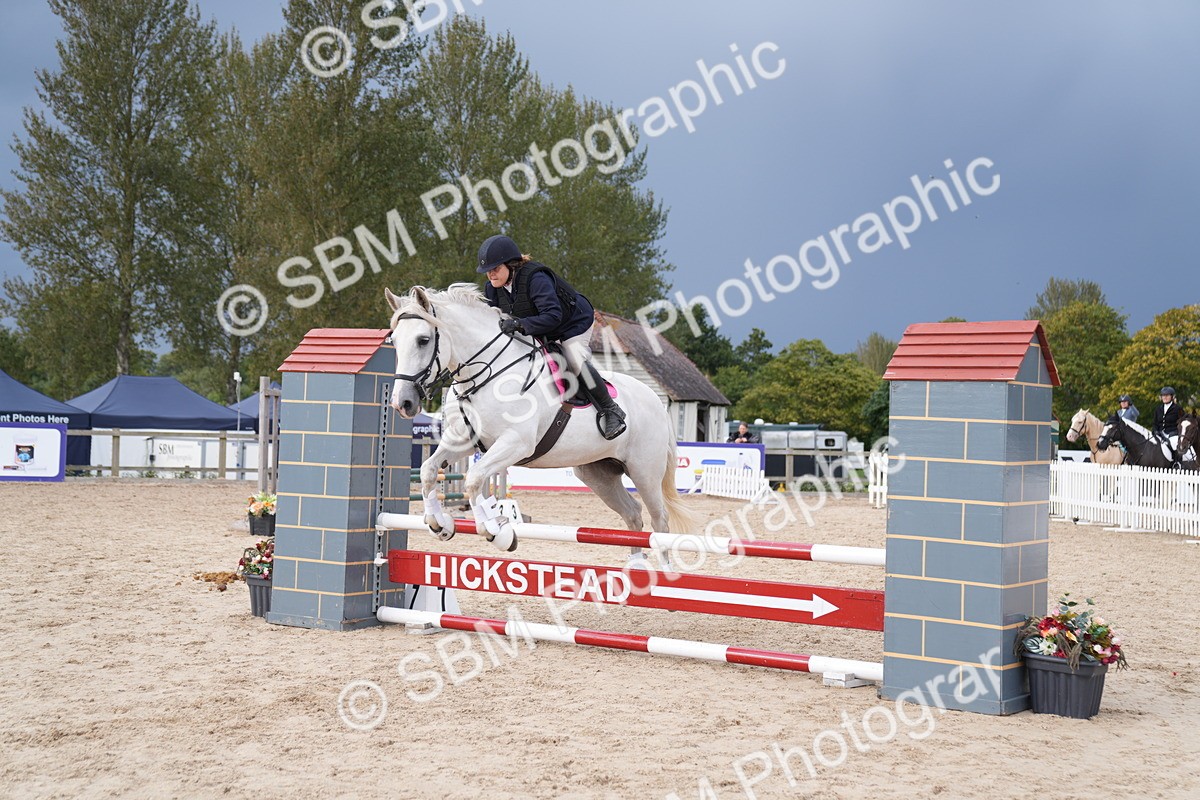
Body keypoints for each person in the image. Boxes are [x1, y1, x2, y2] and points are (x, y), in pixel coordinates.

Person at [477, 234, 627, 440]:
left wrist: (520, 324)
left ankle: (611, 409)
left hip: (573, 323)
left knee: (573, 358)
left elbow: (553, 316)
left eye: (495, 268)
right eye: (487, 270)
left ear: (510, 265)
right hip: (541, 327)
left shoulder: (536, 279)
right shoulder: (492, 289)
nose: (490, 274)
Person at [1153, 387, 1183, 460]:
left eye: (1167, 395)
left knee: (1173, 444)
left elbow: (1182, 423)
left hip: (1173, 434)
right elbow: (1155, 423)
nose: (1165, 397)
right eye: (1163, 395)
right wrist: (1155, 431)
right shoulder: (1158, 409)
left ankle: (1177, 461)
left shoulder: (1177, 408)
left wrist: (1176, 432)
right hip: (1160, 434)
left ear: (1172, 397)